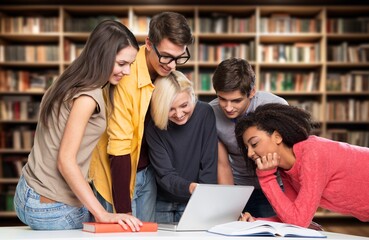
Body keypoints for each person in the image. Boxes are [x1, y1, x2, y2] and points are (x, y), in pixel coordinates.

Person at [13, 20, 142, 230]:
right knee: (119, 226)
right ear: (102, 57)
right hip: (50, 207)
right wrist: (102, 215)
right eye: (121, 63)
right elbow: (65, 160)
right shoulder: (88, 96)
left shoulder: (67, 80)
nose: (127, 71)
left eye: (130, 64)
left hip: (26, 193)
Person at [89, 12, 193, 222]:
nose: (172, 65)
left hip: (147, 172)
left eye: (178, 57)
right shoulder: (126, 77)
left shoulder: (166, 72)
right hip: (116, 175)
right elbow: (119, 147)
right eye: (166, 56)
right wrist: (123, 211)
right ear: (148, 43)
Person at [235, 103, 369, 227]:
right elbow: (290, 216)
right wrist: (256, 221)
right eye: (247, 148)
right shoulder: (286, 169)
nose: (250, 154)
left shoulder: (312, 153)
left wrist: (265, 178)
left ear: (277, 137)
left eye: (254, 144)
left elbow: (298, 221)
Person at [208, 58, 288, 218]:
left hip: (275, 185)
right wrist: (231, 207)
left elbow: (293, 156)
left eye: (236, 100)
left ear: (252, 92)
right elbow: (222, 165)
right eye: (222, 99)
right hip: (237, 188)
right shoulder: (211, 113)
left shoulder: (276, 107)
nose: (228, 108)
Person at [145, 70, 218, 223]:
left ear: (192, 96)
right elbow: (164, 174)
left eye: (184, 105)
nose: (178, 114)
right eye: (170, 109)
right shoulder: (153, 125)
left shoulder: (205, 113)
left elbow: (209, 165)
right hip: (161, 202)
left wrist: (202, 197)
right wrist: (191, 187)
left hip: (195, 201)